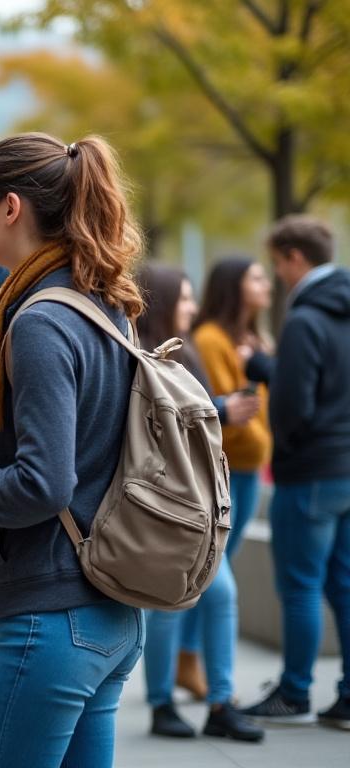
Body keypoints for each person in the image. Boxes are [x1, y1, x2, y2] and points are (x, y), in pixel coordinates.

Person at [0, 133, 145, 766]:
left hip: (56, 618)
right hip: (107, 615)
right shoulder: (103, 308)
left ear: (10, 208)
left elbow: (45, 485)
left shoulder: (40, 322)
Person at [135, 265, 264, 743]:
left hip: (202, 500)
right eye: (184, 299)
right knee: (171, 602)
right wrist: (221, 408)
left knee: (217, 594)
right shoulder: (146, 354)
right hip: (167, 503)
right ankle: (162, 704)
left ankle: (218, 703)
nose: (191, 307)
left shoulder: (186, 350)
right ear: (165, 303)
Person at [240, 215, 350, 729]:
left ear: (294, 258)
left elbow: (294, 407)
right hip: (346, 468)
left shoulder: (304, 319)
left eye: (278, 263)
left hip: (309, 473)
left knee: (301, 586)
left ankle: (295, 691)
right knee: (344, 584)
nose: (278, 274)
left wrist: (264, 376)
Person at [172, 257, 270, 701]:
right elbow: (217, 407)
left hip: (249, 470)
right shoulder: (211, 340)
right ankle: (193, 666)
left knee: (216, 570)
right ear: (233, 286)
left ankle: (187, 660)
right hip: (226, 469)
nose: (264, 284)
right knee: (215, 572)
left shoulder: (252, 337)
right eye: (255, 277)